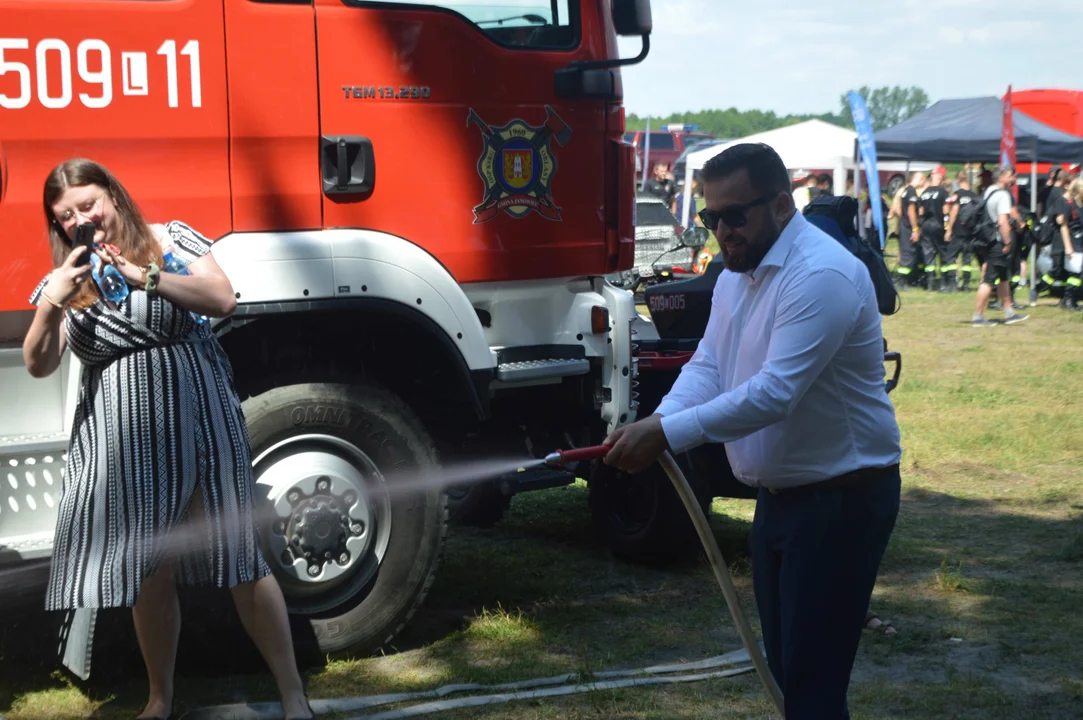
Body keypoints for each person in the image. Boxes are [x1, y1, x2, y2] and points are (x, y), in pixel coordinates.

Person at [602, 142, 902, 719]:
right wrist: (660, 419)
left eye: (735, 215)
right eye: (711, 217)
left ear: (782, 206)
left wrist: (667, 435)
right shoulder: (737, 274)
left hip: (842, 499)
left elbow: (775, 392)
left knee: (812, 683)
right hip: (785, 496)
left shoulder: (823, 274)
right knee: (789, 671)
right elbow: (709, 364)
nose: (722, 231)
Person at [22, 159, 315, 720]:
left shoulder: (168, 239)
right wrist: (52, 299)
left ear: (111, 195)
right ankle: (160, 699)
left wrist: (145, 277)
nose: (81, 219)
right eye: (66, 216)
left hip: (198, 416)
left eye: (88, 204)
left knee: (239, 556)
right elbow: (38, 364)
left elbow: (223, 298)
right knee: (152, 568)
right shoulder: (66, 281)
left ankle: (292, 693)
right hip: (125, 437)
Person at [971, 165, 1029, 326]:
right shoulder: (1003, 195)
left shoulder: (990, 190)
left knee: (1003, 277)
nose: (1014, 179)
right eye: (1011, 175)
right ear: (1002, 177)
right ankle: (977, 316)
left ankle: (1009, 312)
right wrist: (1007, 241)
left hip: (989, 240)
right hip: (998, 242)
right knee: (989, 280)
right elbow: (1003, 221)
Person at [918, 166, 953, 292]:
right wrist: (948, 227)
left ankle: (930, 284)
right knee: (943, 253)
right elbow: (945, 212)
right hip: (938, 225)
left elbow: (921, 212)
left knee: (929, 254)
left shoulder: (924, 192)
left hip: (926, 225)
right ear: (941, 177)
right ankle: (943, 283)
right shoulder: (943, 192)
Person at [945, 171, 981, 292]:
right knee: (967, 260)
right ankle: (966, 285)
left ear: (958, 180)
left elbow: (954, 212)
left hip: (958, 232)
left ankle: (952, 284)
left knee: (951, 257)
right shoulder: (974, 196)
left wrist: (949, 230)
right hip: (970, 233)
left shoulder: (957, 195)